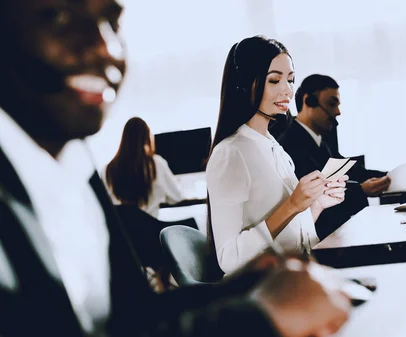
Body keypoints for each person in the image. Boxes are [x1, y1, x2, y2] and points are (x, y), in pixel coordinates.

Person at [0, 1, 351, 336]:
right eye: (59, 16)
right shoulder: (232, 152)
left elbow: (128, 319)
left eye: (113, 20)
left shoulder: (78, 169)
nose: (107, 48)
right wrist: (259, 315)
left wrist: (243, 289)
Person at [206, 36, 348, 275]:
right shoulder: (230, 153)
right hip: (261, 290)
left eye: (291, 80)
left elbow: (289, 240)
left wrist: (316, 206)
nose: (287, 90)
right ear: (246, 84)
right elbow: (228, 259)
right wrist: (292, 205)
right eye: (274, 80)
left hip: (291, 275)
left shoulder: (272, 146)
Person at [278, 74, 392, 238]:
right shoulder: (289, 143)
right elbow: (316, 192)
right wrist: (361, 191)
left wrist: (390, 176)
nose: (337, 112)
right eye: (331, 104)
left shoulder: (322, 139)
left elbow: (350, 169)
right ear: (308, 101)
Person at [104, 116, 185, 218]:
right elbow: (177, 197)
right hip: (148, 230)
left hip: (121, 232)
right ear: (147, 137)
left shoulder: (107, 170)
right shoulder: (156, 164)